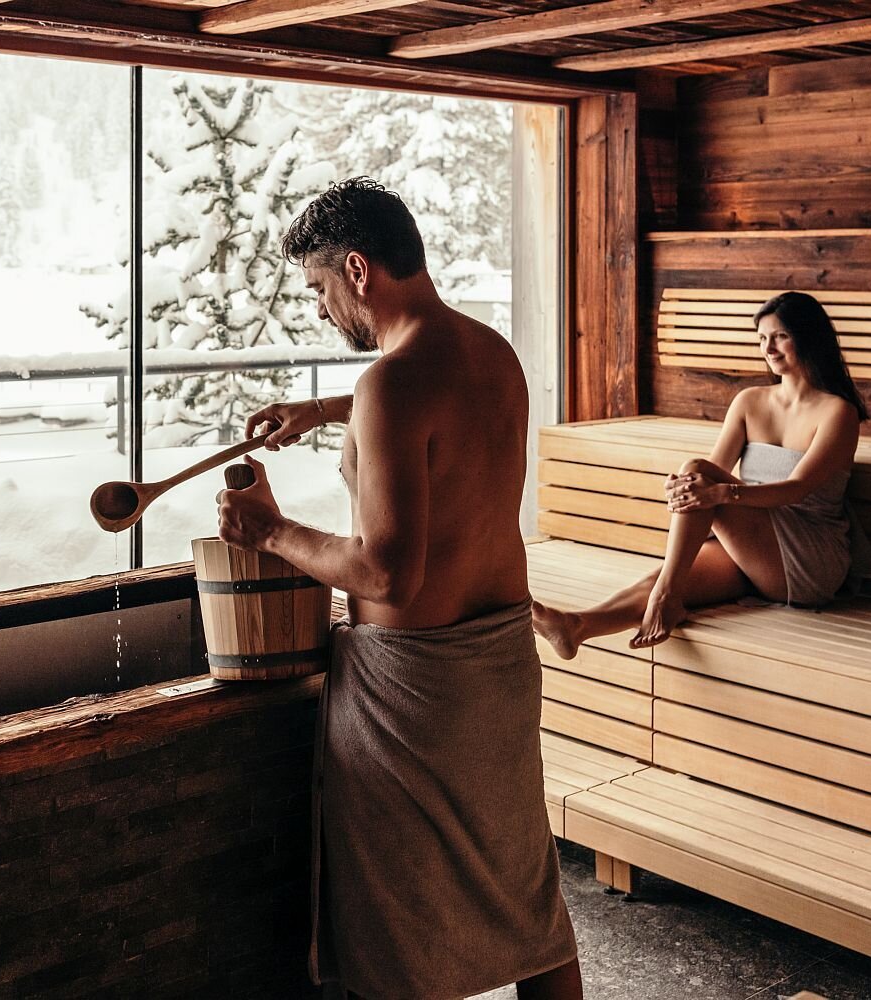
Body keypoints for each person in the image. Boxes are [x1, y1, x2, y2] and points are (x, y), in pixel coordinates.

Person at [217, 177, 582, 1000]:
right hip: (499, 664)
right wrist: (324, 408)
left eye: (317, 289)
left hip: (416, 692)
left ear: (356, 269)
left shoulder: (390, 386)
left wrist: (270, 531)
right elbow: (429, 397)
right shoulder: (488, 350)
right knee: (524, 897)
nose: (318, 310)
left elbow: (385, 570)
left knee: (403, 920)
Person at [533, 291, 871, 660]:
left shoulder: (838, 413)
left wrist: (716, 493)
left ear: (808, 337)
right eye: (762, 338)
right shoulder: (750, 402)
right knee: (669, 568)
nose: (769, 349)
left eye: (780, 336)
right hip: (755, 543)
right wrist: (684, 488)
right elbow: (716, 469)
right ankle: (576, 626)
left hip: (806, 555)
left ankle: (667, 595)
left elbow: (796, 489)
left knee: (694, 482)